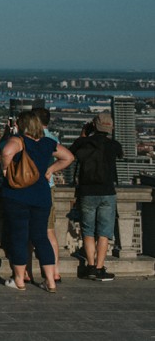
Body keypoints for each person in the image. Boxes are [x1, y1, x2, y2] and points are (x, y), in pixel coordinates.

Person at [0, 110, 73, 291]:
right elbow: (69, 157)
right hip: (41, 196)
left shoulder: (18, 141)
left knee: (19, 236)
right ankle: (50, 280)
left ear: (22, 125)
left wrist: (5, 169)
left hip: (18, 195)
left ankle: (19, 280)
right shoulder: (48, 143)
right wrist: (50, 170)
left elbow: (6, 151)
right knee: (41, 237)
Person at [69, 111, 124, 281]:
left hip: (87, 191)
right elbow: (120, 155)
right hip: (107, 191)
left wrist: (84, 134)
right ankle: (100, 268)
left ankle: (90, 266)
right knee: (104, 232)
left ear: (94, 125)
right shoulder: (114, 145)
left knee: (88, 231)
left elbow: (72, 152)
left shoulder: (83, 143)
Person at [33, 107, 62, 284]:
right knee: (49, 230)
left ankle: (28, 271)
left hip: (37, 187)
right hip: (48, 186)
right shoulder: (53, 138)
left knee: (38, 231)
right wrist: (51, 169)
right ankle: (55, 270)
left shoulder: (36, 138)